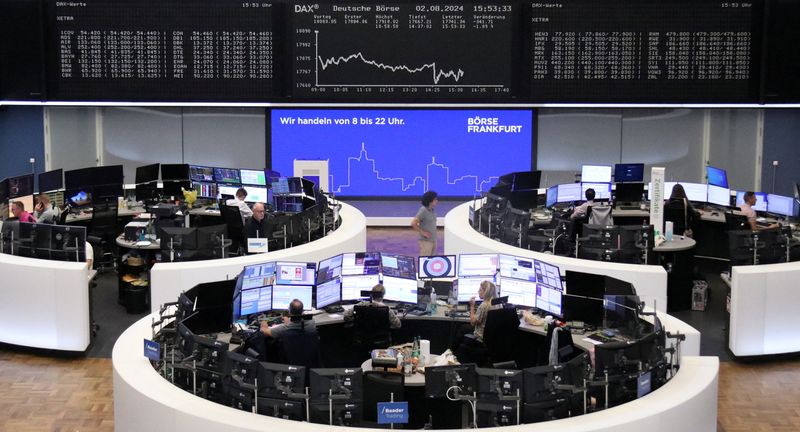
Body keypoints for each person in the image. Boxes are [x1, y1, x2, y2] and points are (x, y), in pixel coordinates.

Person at [412, 190, 438, 256]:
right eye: (435, 199)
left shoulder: (432, 210)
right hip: (426, 241)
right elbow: (413, 223)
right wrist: (423, 233)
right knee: (425, 261)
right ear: (430, 201)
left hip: (433, 240)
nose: (437, 201)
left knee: (432, 262)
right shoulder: (423, 210)